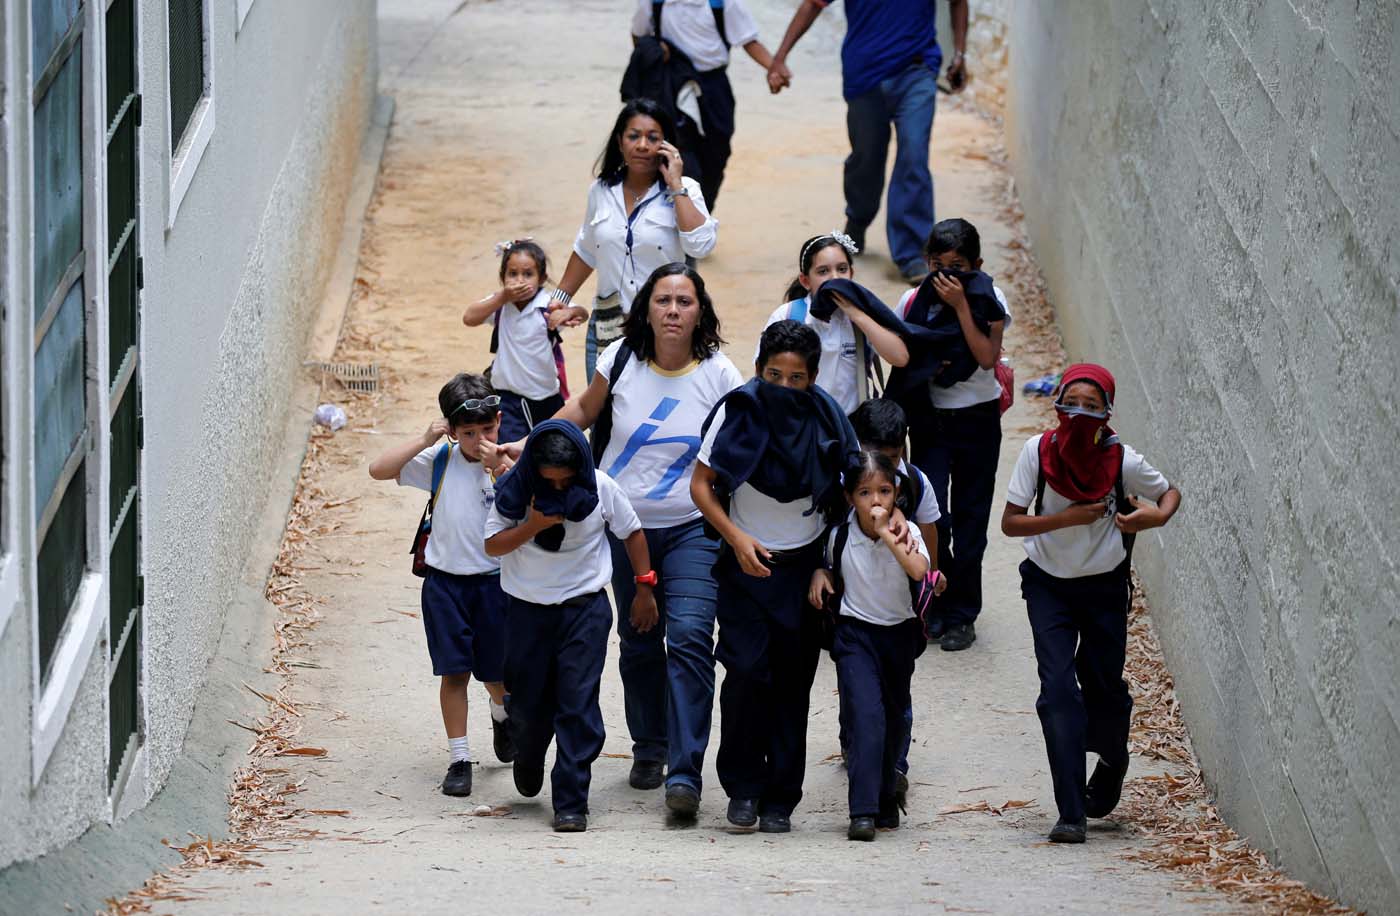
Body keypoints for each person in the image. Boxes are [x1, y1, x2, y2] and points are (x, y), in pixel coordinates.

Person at [539, 263, 741, 819]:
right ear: (646, 309)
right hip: (624, 531)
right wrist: (538, 445)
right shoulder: (621, 359)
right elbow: (584, 409)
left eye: (684, 301)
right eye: (663, 301)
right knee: (639, 641)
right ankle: (649, 745)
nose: (673, 311)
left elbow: (746, 444)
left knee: (694, 637)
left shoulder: (722, 376)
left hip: (693, 529)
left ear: (701, 311)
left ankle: (684, 771)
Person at [691, 320, 861, 834]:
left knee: (792, 685)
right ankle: (742, 789)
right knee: (744, 677)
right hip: (745, 567)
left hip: (802, 573)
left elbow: (848, 499)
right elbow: (701, 486)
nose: (784, 387)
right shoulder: (737, 412)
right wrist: (736, 539)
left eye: (797, 378)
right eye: (774, 374)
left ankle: (781, 798)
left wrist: (824, 567)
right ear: (759, 369)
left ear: (812, 379)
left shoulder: (829, 423)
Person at [1001, 364, 1181, 843]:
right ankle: (1070, 811)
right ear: (1057, 404)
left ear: (1107, 413)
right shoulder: (1036, 452)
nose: (1080, 413)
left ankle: (1113, 758)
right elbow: (1011, 523)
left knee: (1102, 685)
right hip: (1047, 586)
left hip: (1103, 587)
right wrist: (1069, 519)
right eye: (1071, 402)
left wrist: (1153, 518)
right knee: (1057, 690)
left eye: (1092, 405)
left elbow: (1168, 494)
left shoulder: (1122, 461)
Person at [484, 421, 654, 833]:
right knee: (528, 704)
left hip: (584, 609)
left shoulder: (599, 487)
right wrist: (534, 526)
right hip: (527, 610)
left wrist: (644, 587)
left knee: (577, 703)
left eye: (566, 480)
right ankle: (526, 752)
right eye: (550, 481)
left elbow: (631, 531)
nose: (560, 489)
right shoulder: (516, 489)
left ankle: (571, 800)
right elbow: (492, 544)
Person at [367, 373, 514, 798]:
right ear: (452, 430)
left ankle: (502, 715)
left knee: (496, 674)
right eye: (468, 432)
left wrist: (501, 468)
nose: (479, 440)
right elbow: (379, 470)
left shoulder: (506, 465)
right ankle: (460, 757)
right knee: (454, 673)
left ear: (499, 422)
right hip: (445, 586)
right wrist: (423, 439)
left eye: (487, 429)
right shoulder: (440, 461)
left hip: (495, 585)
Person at [766, 0, 969, 284]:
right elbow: (812, 5)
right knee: (867, 158)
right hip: (865, 75)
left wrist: (960, 53)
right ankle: (858, 219)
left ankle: (912, 252)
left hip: (917, 69)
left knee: (914, 154)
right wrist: (780, 57)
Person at [897, 218, 1010, 651]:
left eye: (958, 265)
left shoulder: (989, 298)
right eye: (938, 265)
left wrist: (962, 306)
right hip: (932, 421)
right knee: (931, 516)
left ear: (977, 265)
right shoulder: (912, 301)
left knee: (971, 519)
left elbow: (985, 356)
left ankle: (965, 612)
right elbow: (902, 350)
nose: (947, 276)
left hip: (978, 420)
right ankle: (933, 605)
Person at [809, 450, 932, 841]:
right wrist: (820, 573)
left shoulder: (906, 533)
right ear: (850, 498)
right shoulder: (840, 535)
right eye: (864, 493)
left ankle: (884, 799)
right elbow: (826, 562)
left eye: (883, 491)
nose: (875, 501)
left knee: (894, 720)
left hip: (898, 635)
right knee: (866, 718)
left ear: (896, 493)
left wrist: (886, 535)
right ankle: (861, 811)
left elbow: (918, 570)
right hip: (854, 635)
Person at [549, 98, 719, 380]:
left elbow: (700, 245)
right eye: (633, 136)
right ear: (620, 142)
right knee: (603, 417)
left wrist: (676, 185)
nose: (642, 145)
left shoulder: (685, 190)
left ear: (667, 146)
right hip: (608, 328)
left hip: (665, 329)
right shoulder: (601, 190)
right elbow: (587, 249)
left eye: (653, 138)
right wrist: (558, 300)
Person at [848, 397, 945, 805]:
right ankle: (860, 752)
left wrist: (931, 579)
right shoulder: (851, 479)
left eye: (893, 457)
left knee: (897, 695)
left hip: (900, 611)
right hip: (855, 607)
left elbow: (930, 532)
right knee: (858, 694)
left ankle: (896, 765)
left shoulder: (915, 483)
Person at [628, 0, 779, 210]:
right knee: (681, 159)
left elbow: (748, 40)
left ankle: (700, 218)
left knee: (717, 156)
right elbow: (639, 34)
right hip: (673, 85)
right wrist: (654, 48)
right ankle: (680, 220)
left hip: (714, 86)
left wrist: (774, 67)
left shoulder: (723, 3)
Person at [760, 233, 910, 414]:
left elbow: (900, 358)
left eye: (842, 269)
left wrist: (857, 315)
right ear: (805, 281)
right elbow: (763, 372)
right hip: (799, 422)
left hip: (850, 425)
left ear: (851, 274)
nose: (834, 278)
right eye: (823, 271)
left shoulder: (864, 316)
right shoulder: (788, 314)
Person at [463, 239, 567, 443]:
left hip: (547, 398)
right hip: (507, 399)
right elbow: (469, 317)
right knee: (509, 454)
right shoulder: (500, 305)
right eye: (513, 274)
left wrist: (569, 314)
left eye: (528, 274)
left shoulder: (548, 305)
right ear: (503, 278)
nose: (520, 280)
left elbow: (581, 311)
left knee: (551, 452)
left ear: (542, 277)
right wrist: (502, 297)